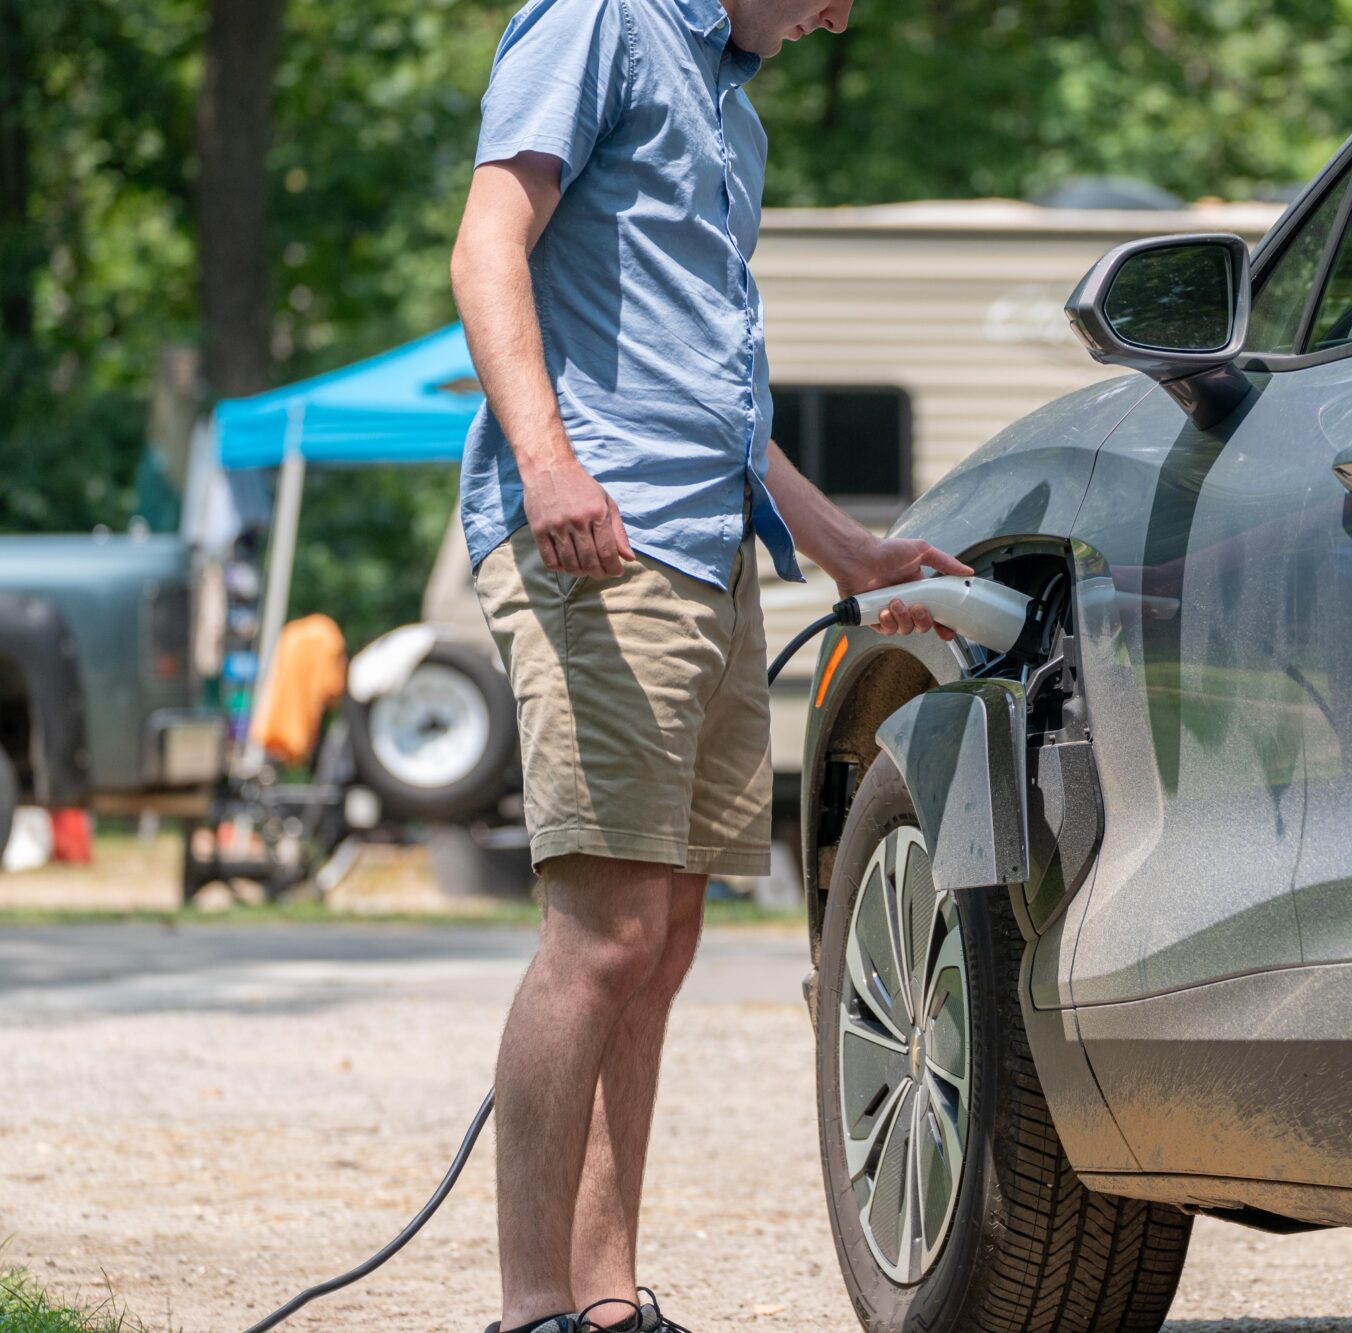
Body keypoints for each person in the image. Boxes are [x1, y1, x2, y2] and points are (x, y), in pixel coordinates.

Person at [449, 2, 967, 1330]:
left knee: (666, 936)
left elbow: (717, 399)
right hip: (597, 537)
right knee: (606, 928)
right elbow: (488, 246)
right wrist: (549, 461)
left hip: (709, 550)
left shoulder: (732, 105)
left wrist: (844, 546)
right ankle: (529, 1312)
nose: (839, 14)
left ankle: (604, 1299)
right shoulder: (600, 20)